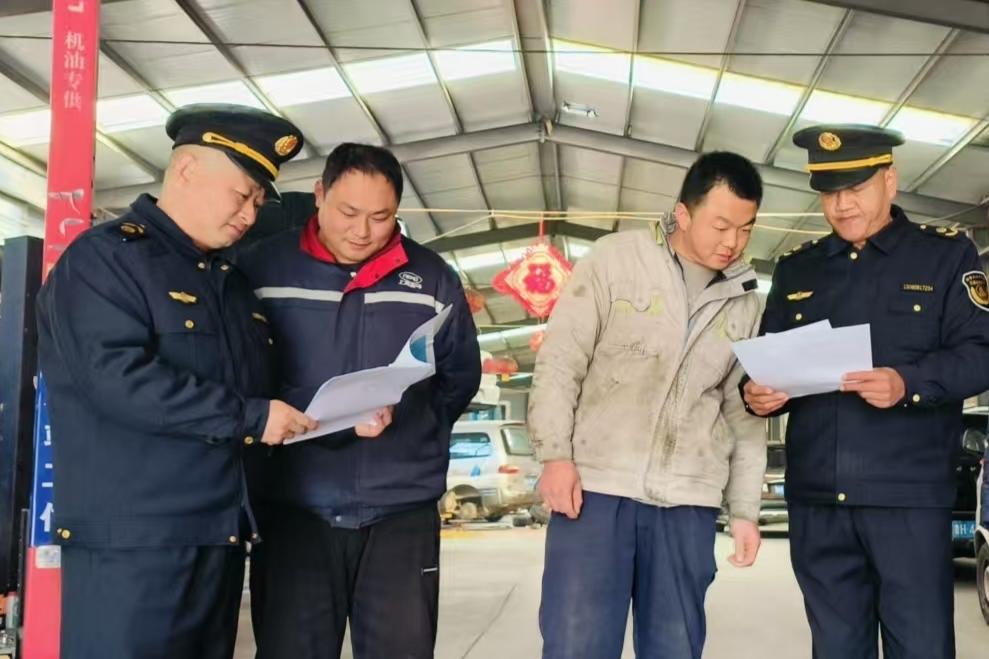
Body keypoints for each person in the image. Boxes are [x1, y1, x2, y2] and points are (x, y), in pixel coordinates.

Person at [36, 105, 339, 659]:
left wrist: (339, 414)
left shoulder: (229, 284)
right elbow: (117, 379)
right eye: (241, 194)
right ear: (186, 170)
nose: (249, 214)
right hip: (133, 548)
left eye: (258, 201)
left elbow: (257, 392)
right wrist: (253, 418)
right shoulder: (105, 261)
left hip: (218, 539)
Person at [743, 124, 989, 659]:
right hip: (819, 501)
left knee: (920, 646)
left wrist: (908, 383)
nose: (842, 204)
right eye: (829, 192)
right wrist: (756, 393)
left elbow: (980, 354)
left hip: (907, 498)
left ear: (890, 181)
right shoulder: (798, 268)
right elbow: (767, 357)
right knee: (835, 647)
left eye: (855, 188)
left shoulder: (944, 257)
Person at [237, 142, 482, 659]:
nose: (363, 231)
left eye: (381, 217)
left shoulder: (431, 277)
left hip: (400, 510)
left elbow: (459, 375)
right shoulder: (263, 269)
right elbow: (241, 375)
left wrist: (411, 427)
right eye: (348, 212)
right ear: (319, 194)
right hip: (294, 506)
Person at [527, 151, 769, 659]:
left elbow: (742, 412)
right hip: (595, 490)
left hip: (688, 501)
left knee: (675, 648)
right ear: (683, 213)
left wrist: (745, 510)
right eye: (721, 225)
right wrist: (554, 455)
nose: (733, 242)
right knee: (577, 645)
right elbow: (561, 361)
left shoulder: (746, 299)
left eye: (745, 229)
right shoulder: (616, 260)